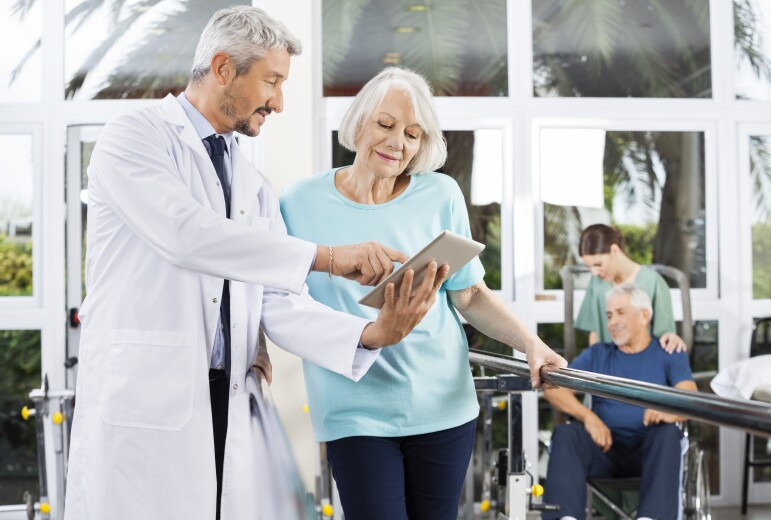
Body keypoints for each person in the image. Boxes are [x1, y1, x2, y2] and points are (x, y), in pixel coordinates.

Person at [64, 7, 449, 520]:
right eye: (272, 81)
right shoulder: (134, 138)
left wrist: (372, 334)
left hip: (226, 397)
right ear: (223, 68)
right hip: (145, 397)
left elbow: (277, 300)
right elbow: (186, 235)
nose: (280, 102)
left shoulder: (252, 185)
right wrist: (329, 258)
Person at [279, 66, 567, 520]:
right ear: (359, 123)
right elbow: (274, 293)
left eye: (412, 134)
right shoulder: (297, 203)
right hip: (353, 411)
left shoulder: (441, 194)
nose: (398, 143)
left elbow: (470, 295)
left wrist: (531, 343)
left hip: (443, 406)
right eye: (386, 124)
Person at [542, 283, 697, 520]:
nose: (612, 322)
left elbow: (690, 397)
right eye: (609, 315)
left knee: (667, 434)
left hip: (650, 453)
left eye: (620, 313)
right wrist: (588, 417)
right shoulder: (598, 354)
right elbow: (554, 390)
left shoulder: (668, 353)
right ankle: (565, 518)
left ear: (644, 315)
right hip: (604, 451)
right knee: (566, 434)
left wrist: (668, 411)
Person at [576, 223, 686, 352]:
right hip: (606, 361)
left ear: (614, 250)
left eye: (598, 264)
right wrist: (595, 360)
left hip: (643, 360)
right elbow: (595, 333)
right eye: (589, 267)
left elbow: (665, 335)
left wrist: (671, 338)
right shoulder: (596, 283)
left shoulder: (653, 281)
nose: (594, 272)